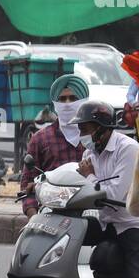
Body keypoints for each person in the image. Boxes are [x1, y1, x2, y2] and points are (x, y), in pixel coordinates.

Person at [74, 100, 139, 278]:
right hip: (108, 223)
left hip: (135, 224)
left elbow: (114, 194)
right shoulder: (90, 152)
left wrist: (89, 176)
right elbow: (83, 188)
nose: (82, 136)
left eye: (85, 129)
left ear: (101, 128)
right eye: (80, 130)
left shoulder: (128, 149)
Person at [20, 74, 89, 217]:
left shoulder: (96, 138)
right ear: (55, 104)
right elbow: (27, 187)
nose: (68, 103)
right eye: (62, 99)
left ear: (84, 101)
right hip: (51, 213)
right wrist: (34, 218)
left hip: (90, 211)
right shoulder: (40, 139)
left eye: (73, 98)